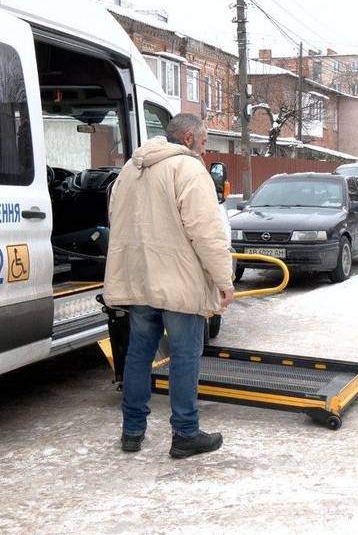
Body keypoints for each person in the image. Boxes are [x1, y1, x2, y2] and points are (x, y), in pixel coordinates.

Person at [104, 113, 235, 459]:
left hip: (141, 279)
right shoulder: (189, 170)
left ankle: (132, 431)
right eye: (205, 143)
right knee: (184, 358)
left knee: (138, 355)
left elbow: (115, 217)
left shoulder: (130, 171)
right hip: (179, 282)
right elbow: (206, 232)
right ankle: (185, 433)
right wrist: (224, 279)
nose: (204, 152)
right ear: (190, 138)